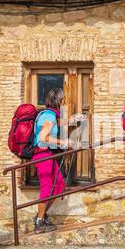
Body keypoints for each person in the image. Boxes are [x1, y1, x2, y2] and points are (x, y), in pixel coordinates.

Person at [32, 88, 85, 234]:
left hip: (48, 155)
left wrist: (74, 119)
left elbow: (59, 123)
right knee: (47, 188)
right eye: (63, 99)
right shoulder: (48, 116)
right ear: (58, 100)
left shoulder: (51, 116)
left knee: (59, 186)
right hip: (42, 156)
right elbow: (43, 137)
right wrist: (65, 142)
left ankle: (40, 217)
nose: (64, 102)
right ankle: (39, 222)